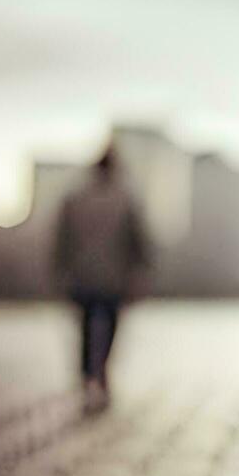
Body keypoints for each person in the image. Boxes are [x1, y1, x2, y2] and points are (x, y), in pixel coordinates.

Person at [53, 146, 150, 412]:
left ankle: (88, 377)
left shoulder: (75, 197)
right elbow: (139, 241)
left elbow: (62, 239)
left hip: (82, 277)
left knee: (85, 330)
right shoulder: (125, 198)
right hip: (113, 279)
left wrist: (59, 271)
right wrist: (141, 271)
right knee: (110, 329)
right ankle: (102, 374)